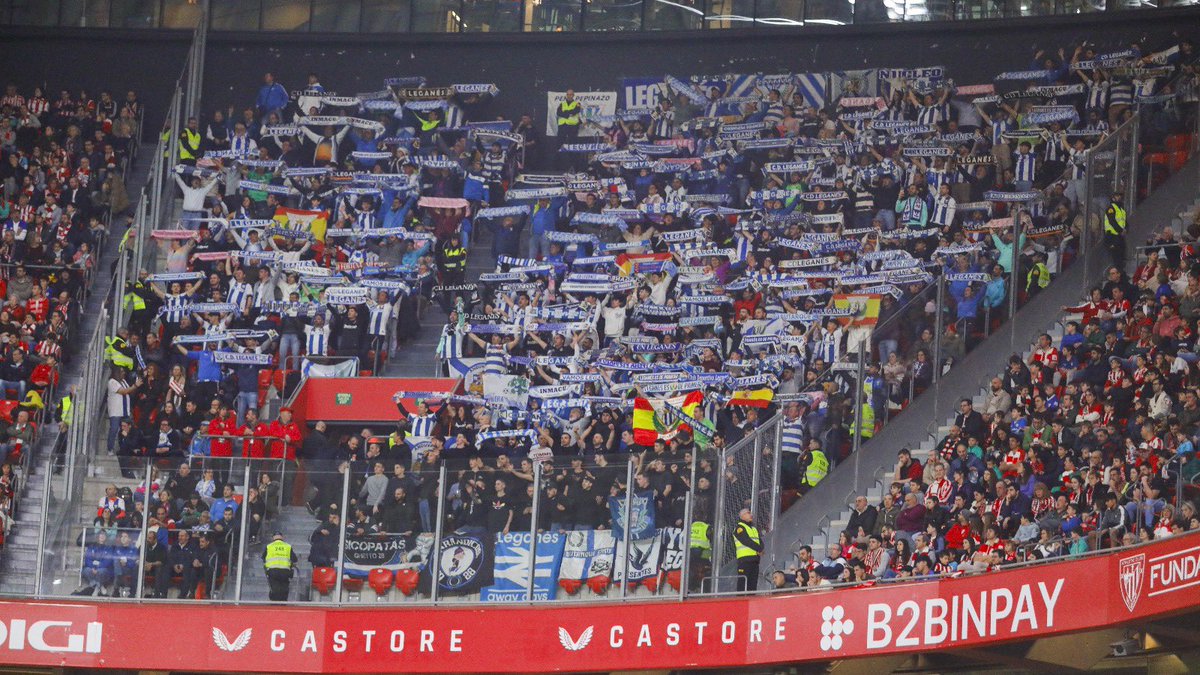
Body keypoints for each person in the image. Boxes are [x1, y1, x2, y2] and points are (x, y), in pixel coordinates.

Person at [733, 508, 762, 592]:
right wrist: (759, 548)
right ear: (742, 516)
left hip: (755, 560)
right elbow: (746, 541)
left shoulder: (753, 529)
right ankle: (741, 603)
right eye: (748, 513)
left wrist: (761, 548)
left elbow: (760, 540)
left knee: (752, 585)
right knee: (742, 585)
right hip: (744, 560)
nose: (751, 515)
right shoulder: (739, 528)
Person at [263, 531, 297, 601]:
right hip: (285, 572)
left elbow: (263, 558)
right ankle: (283, 604)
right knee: (284, 590)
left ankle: (274, 604)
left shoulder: (269, 546)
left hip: (273, 571)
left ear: (273, 538)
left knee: (274, 590)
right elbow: (295, 559)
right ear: (282, 537)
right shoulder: (288, 546)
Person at [1104, 191, 1126, 268]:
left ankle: (1121, 273)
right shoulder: (1111, 208)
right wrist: (1121, 230)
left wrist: (1126, 229)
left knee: (1121, 256)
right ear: (1113, 198)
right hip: (1112, 235)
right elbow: (1112, 221)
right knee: (1116, 257)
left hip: (1120, 236)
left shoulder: (1121, 208)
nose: (1119, 197)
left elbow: (1123, 221)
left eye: (1120, 195)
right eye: (1117, 196)